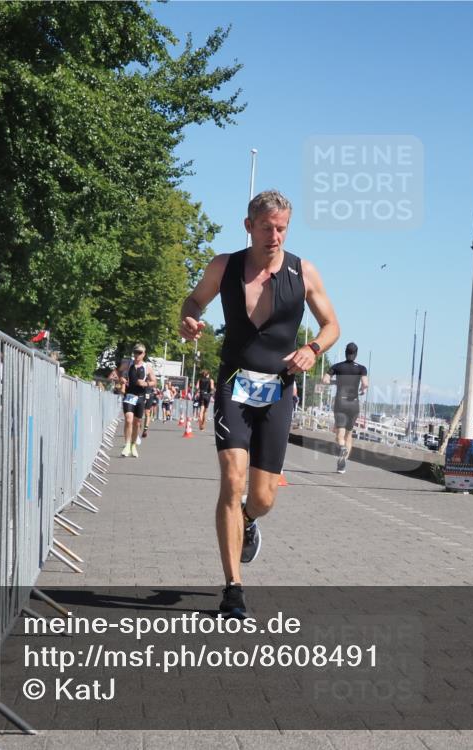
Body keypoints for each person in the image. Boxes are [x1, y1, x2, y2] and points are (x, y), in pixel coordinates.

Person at [179, 190, 339, 618]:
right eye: (267, 227)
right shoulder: (224, 266)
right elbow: (194, 301)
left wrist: (313, 349)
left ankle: (248, 520)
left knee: (263, 498)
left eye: (282, 228)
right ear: (249, 226)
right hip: (233, 385)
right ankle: (233, 589)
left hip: (278, 391)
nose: (275, 236)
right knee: (232, 481)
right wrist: (189, 318)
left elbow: (331, 325)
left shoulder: (303, 272)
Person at [323, 342, 368, 473]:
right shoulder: (361, 368)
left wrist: (336, 382)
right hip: (354, 404)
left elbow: (325, 380)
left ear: (345, 352)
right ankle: (342, 465)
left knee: (340, 436)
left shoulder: (337, 367)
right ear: (356, 354)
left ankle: (341, 447)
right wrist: (362, 389)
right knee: (349, 435)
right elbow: (365, 384)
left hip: (340, 403)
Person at [117, 344, 156, 457]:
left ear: (144, 354)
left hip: (140, 397)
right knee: (128, 419)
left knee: (137, 422)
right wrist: (121, 378)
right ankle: (127, 445)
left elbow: (154, 382)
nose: (137, 355)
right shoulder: (128, 364)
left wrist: (146, 383)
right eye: (135, 352)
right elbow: (118, 372)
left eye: (139, 353)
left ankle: (133, 445)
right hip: (129, 395)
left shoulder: (147, 367)